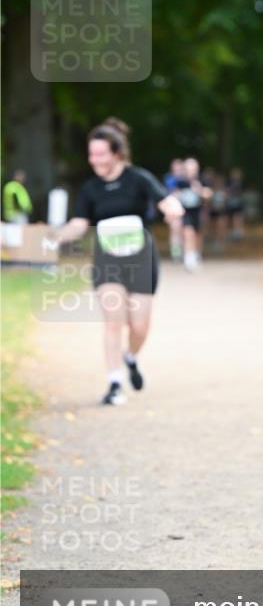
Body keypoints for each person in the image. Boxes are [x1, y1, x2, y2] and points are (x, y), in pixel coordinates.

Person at [47, 118, 183, 406]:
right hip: (107, 258)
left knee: (140, 326)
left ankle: (130, 356)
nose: (94, 160)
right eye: (91, 154)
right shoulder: (90, 188)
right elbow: (79, 223)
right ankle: (114, 383)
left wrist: (173, 208)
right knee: (113, 322)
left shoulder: (138, 178)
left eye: (100, 154)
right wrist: (55, 236)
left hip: (139, 257)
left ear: (117, 154)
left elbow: (164, 200)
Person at [176, 157, 212, 272]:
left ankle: (196, 254)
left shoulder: (201, 180)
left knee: (197, 235)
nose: (189, 171)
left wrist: (199, 190)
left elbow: (209, 194)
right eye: (187, 168)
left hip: (198, 212)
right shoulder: (181, 182)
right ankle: (188, 258)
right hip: (185, 212)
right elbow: (174, 194)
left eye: (192, 168)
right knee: (188, 233)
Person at [163, 159, 186, 261]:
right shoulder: (169, 178)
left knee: (183, 231)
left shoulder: (185, 179)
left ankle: (184, 251)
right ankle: (176, 252)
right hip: (173, 208)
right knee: (175, 230)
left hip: (185, 208)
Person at [225, 167, 245, 241]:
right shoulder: (228, 183)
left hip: (238, 203)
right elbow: (226, 193)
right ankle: (232, 232)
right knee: (230, 218)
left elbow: (242, 193)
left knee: (238, 217)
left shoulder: (241, 183)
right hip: (230, 204)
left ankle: (238, 232)